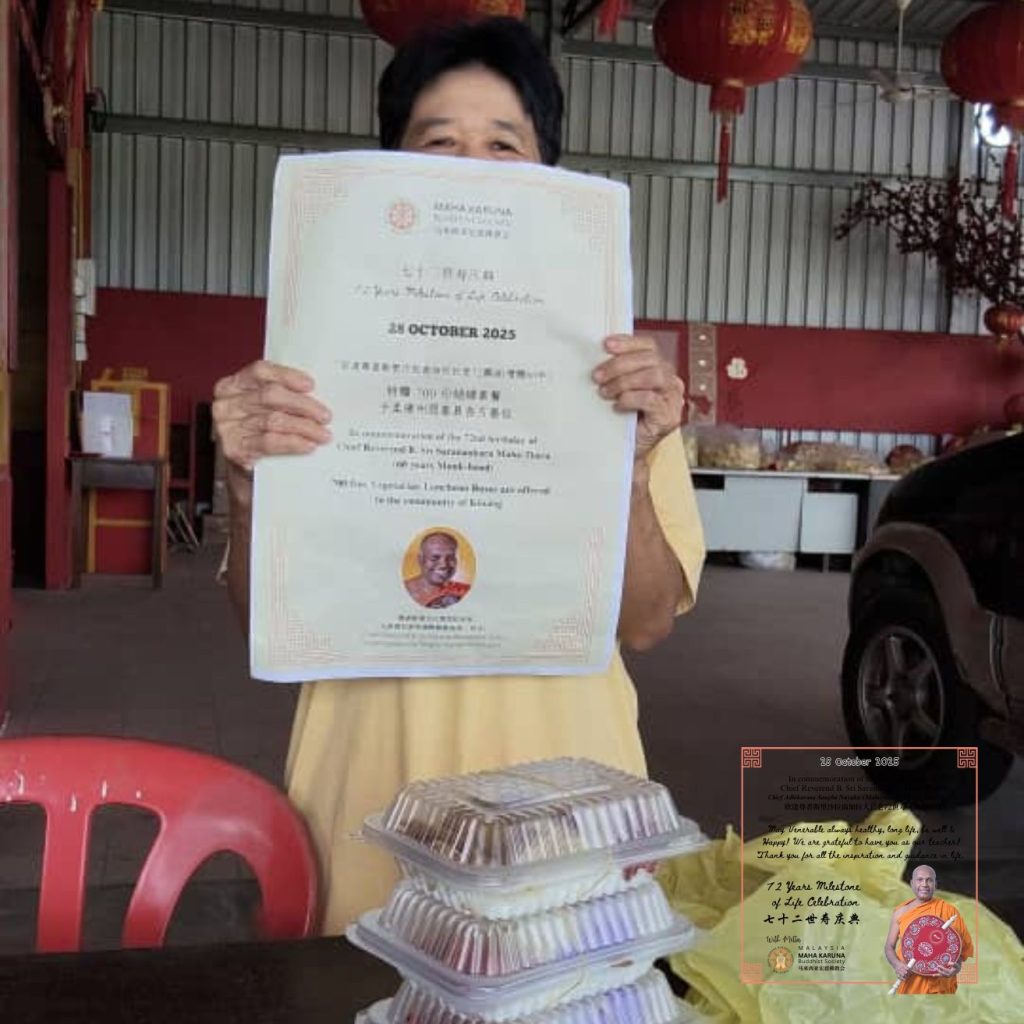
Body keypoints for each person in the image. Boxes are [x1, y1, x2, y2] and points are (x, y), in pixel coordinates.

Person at [211, 17, 705, 932]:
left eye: (504, 145)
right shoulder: (313, 371)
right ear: (390, 171)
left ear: (550, 175)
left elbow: (644, 623)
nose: (473, 169)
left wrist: (630, 470)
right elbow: (265, 625)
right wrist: (244, 486)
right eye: (439, 143)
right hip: (367, 797)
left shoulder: (619, 383)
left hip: (563, 803)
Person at [885, 864, 974, 994]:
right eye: (920, 880)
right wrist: (897, 965)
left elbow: (960, 949)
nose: (924, 884)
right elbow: (889, 947)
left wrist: (956, 968)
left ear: (935, 884)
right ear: (912, 883)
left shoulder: (950, 911)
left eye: (929, 880)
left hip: (941, 987)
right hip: (910, 985)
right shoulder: (900, 912)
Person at [404, 531, 471, 609]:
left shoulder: (463, 591)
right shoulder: (401, 590)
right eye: (435, 558)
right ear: (421, 560)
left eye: (450, 558)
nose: (444, 565)